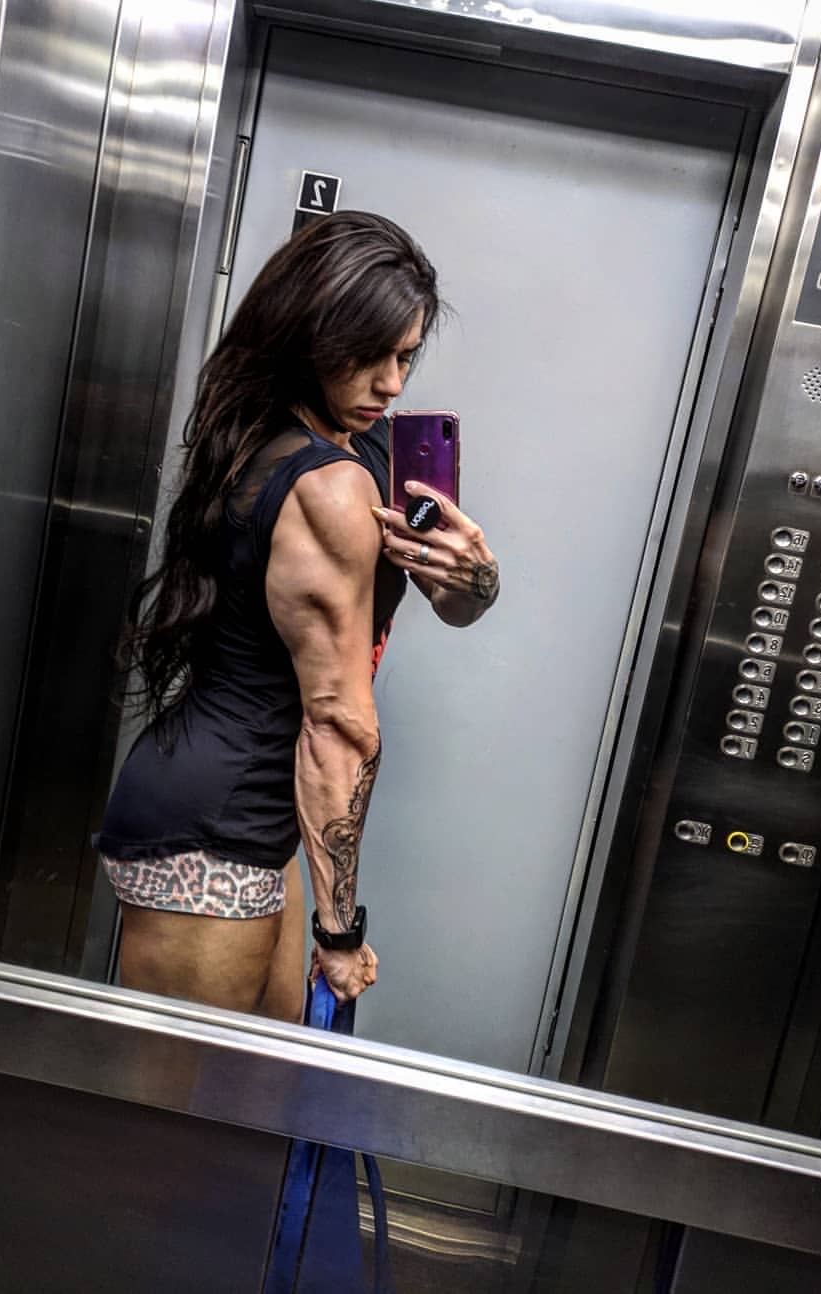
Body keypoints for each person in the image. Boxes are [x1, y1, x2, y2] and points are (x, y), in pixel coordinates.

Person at [93, 211, 500, 1022]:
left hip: (251, 812)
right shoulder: (325, 487)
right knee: (183, 1093)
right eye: (369, 355)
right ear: (311, 336)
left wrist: (475, 578)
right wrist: (340, 931)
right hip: (217, 825)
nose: (392, 384)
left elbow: (451, 604)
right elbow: (337, 725)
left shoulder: (337, 447)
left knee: (260, 1080)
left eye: (405, 356)